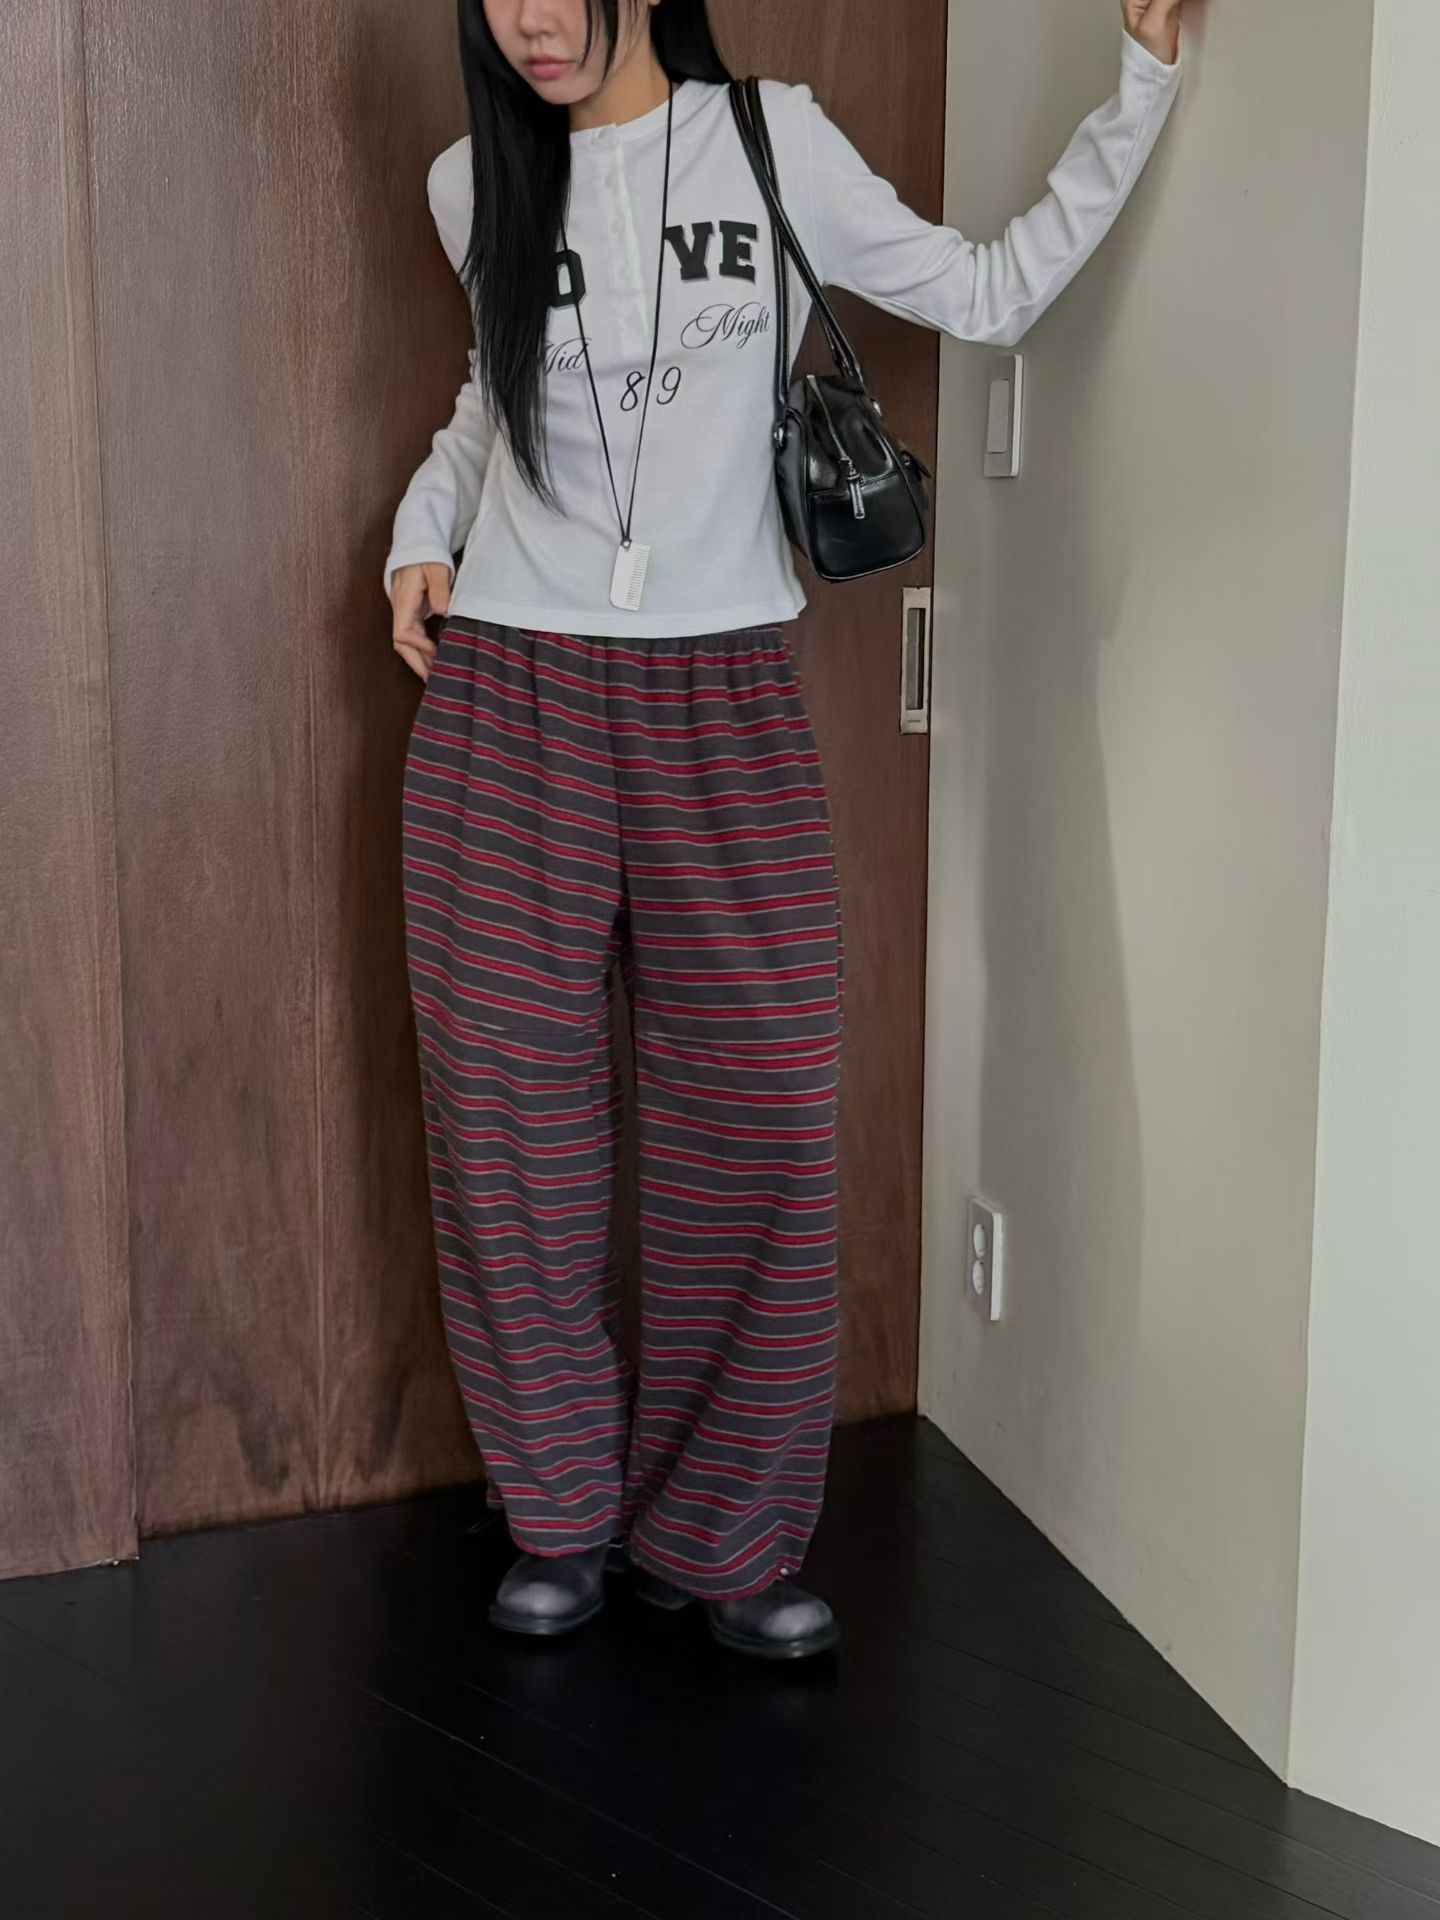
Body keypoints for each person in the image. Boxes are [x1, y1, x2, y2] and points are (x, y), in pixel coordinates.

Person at [385, 0, 1185, 1660]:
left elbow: (987, 292)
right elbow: (488, 397)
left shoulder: (771, 140)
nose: (529, 16)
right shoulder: (475, 183)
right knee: (508, 1126)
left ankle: (724, 1537)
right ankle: (558, 1518)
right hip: (510, 695)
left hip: (723, 694)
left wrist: (1143, 84)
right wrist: (420, 533)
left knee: (755, 1116)